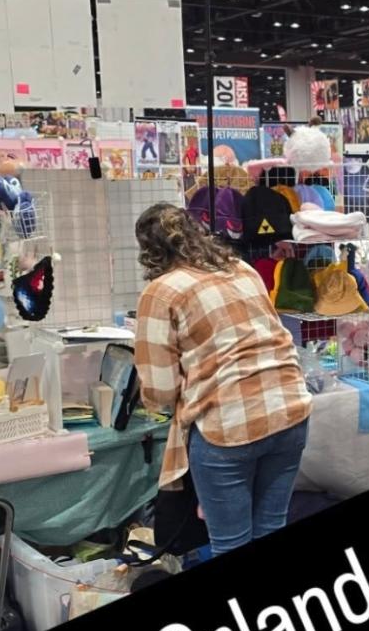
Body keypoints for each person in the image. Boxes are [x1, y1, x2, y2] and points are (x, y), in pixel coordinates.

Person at [133, 203, 311, 555]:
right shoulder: (241, 269)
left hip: (228, 425)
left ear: (149, 250)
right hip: (290, 409)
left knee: (230, 543)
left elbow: (161, 390)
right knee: (271, 528)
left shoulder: (160, 291)